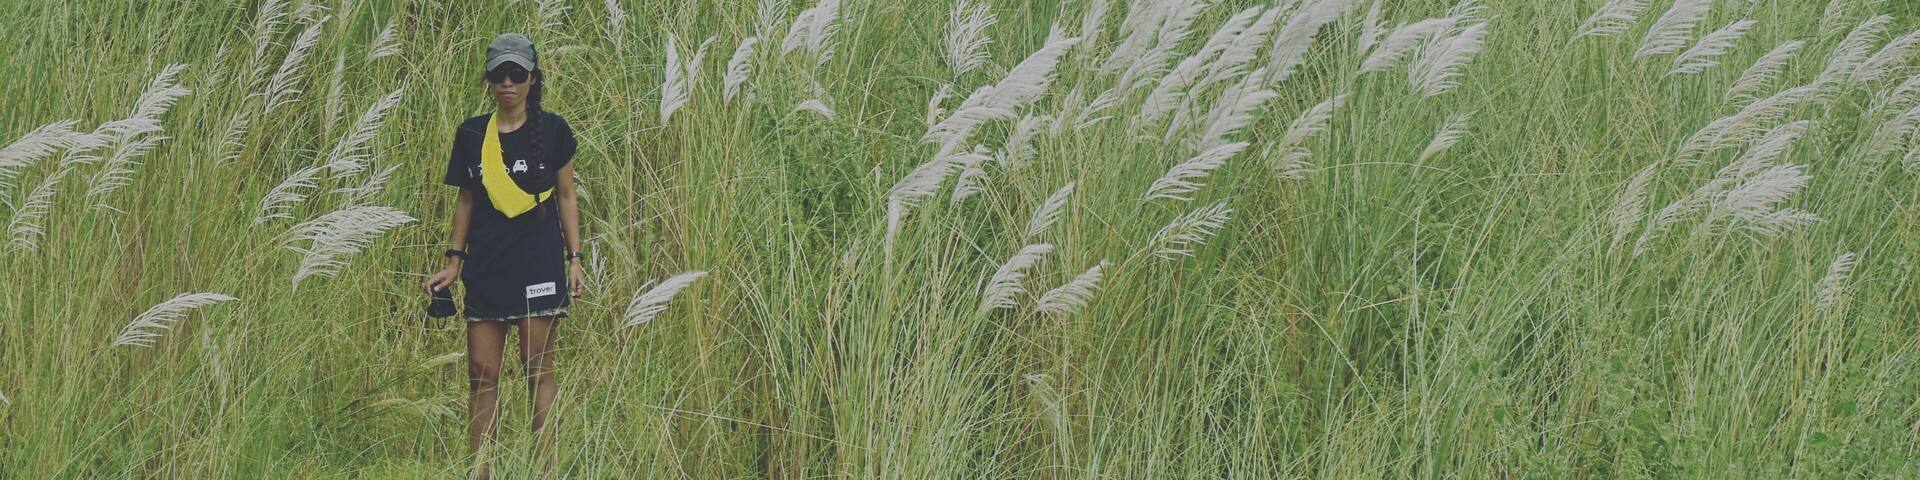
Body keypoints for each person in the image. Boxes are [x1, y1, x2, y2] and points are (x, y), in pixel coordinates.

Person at [423, 32, 585, 479]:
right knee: (481, 374)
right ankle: (482, 472)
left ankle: (544, 470)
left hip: (538, 264)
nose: (508, 83)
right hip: (488, 265)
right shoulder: (472, 132)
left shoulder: (553, 130)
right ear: (489, 80)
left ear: (533, 79)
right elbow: (467, 201)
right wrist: (454, 261)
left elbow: (567, 196)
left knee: (538, 370)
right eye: (499, 74)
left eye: (517, 73)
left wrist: (575, 257)